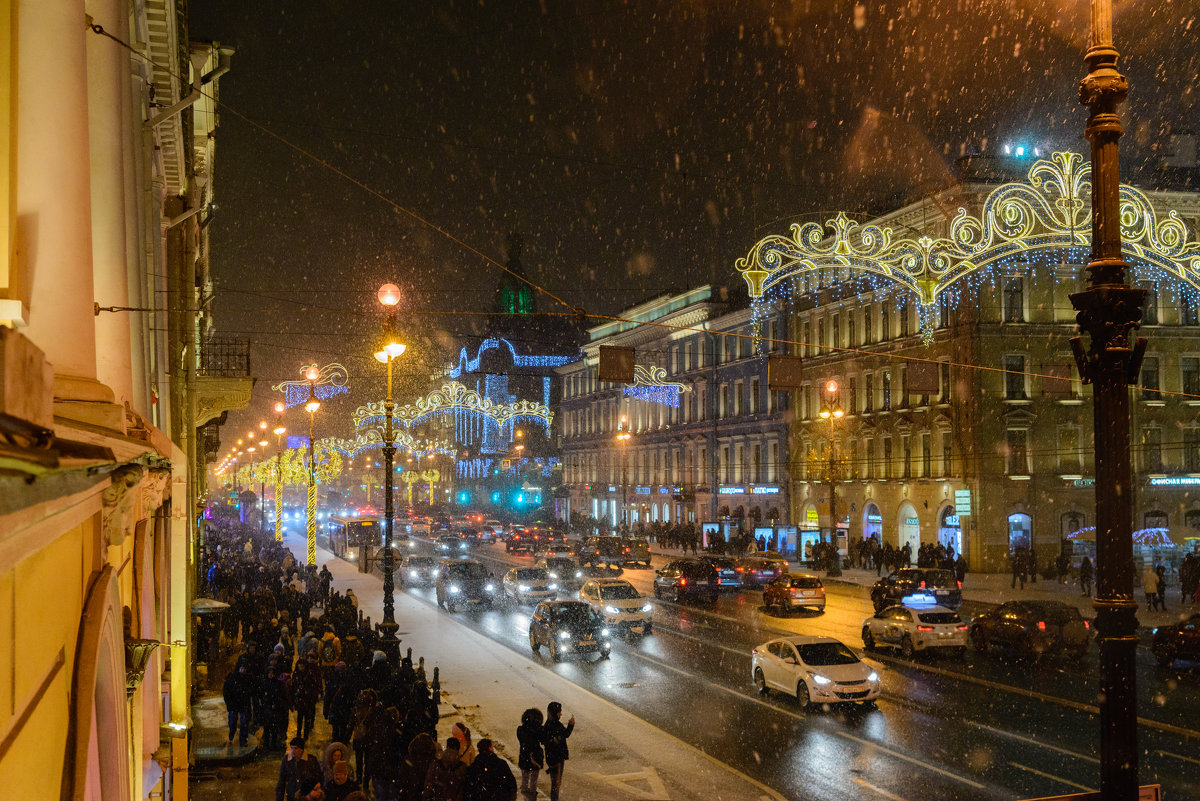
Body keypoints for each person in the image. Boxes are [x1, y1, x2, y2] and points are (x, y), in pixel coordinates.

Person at [541, 702, 574, 801]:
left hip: (555, 757)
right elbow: (564, 735)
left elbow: (564, 735)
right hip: (555, 758)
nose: (561, 714)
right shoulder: (552, 726)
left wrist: (570, 726)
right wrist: (570, 726)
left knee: (556, 782)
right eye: (559, 712)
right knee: (556, 783)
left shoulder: (552, 724)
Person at [276, 737, 324, 801]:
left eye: (296, 748)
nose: (293, 751)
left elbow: (318, 778)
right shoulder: (286, 760)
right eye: (291, 748)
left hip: (307, 796)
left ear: (301, 750)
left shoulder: (311, 760)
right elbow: (281, 782)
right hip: (291, 796)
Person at [222, 662, 254, 747]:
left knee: (244, 723)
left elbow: (251, 690)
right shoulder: (232, 678)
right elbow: (226, 692)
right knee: (233, 721)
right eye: (242, 668)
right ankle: (232, 733)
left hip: (243, 704)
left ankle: (243, 740)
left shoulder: (247, 679)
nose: (243, 670)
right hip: (234, 704)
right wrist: (229, 703)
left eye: (244, 668)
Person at [516, 708, 543, 801]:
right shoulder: (538, 730)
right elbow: (542, 740)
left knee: (525, 779)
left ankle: (525, 797)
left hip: (524, 756)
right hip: (535, 757)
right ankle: (532, 798)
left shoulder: (520, 730)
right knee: (533, 782)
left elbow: (523, 741)